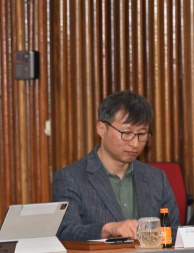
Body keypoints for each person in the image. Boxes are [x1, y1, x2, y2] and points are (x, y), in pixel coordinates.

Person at [54, 90, 181, 244]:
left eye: (142, 134)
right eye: (126, 133)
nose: (135, 143)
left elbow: (175, 234)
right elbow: (65, 232)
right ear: (102, 129)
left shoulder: (156, 178)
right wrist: (107, 229)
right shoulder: (71, 177)